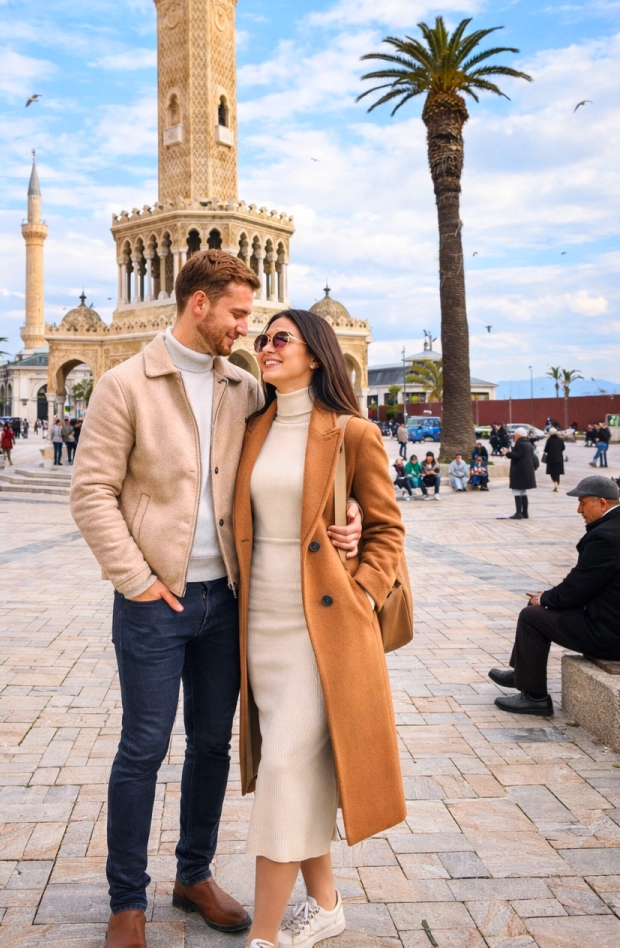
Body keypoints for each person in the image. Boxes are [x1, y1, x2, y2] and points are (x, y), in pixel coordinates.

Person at [70, 251, 365, 947]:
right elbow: (91, 493)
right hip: (154, 602)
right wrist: (138, 580)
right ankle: (127, 900)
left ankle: (193, 875)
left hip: (227, 601)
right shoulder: (124, 385)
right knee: (143, 747)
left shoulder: (246, 389)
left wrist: (347, 511)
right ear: (198, 304)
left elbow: (307, 450)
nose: (246, 329)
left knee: (211, 745)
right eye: (237, 313)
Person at [234, 309, 406, 948]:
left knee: (282, 767)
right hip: (260, 628)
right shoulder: (253, 427)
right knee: (297, 770)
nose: (267, 347)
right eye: (263, 339)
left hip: (322, 630)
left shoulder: (353, 432)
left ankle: (264, 936)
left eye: (281, 338)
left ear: (316, 353)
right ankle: (326, 904)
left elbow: (387, 529)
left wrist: (363, 591)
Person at [489, 475, 620, 715]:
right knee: (540, 608)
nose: (579, 510)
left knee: (532, 616)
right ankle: (522, 674)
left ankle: (535, 697)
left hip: (609, 635)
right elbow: (586, 584)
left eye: (583, 503)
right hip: (610, 618)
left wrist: (544, 599)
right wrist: (550, 597)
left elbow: (578, 587)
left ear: (602, 503)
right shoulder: (613, 527)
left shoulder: (606, 536)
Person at [501, 427, 537, 519]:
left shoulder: (520, 444)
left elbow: (517, 455)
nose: (514, 436)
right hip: (526, 471)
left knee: (517, 491)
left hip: (520, 471)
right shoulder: (528, 443)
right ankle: (525, 513)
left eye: (515, 435)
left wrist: (507, 453)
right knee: (523, 492)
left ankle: (518, 513)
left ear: (518, 435)